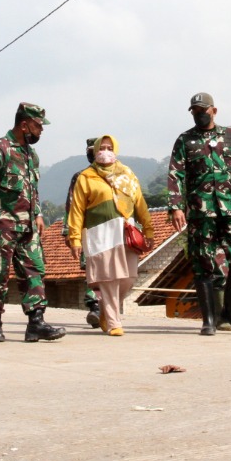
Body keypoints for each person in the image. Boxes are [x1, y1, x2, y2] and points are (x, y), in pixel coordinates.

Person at [0, 103, 65, 343]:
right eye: (38, 125)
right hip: (2, 225)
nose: (41, 130)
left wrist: (38, 213)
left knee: (35, 271)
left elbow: (32, 190)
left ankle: (36, 324)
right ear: (24, 124)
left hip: (27, 226)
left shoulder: (31, 155)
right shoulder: (3, 147)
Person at [167, 92, 231, 336]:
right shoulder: (185, 140)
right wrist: (176, 206)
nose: (199, 114)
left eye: (203, 110)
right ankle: (208, 320)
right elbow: (175, 174)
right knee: (203, 262)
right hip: (201, 211)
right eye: (195, 111)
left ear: (214, 111)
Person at [66, 135, 155, 336]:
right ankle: (114, 322)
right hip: (99, 235)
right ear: (95, 151)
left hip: (125, 232)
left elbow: (139, 202)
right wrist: (74, 238)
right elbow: (77, 209)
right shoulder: (86, 177)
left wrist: (148, 229)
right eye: (101, 148)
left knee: (129, 277)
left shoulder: (127, 173)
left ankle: (106, 310)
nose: (105, 151)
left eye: (109, 147)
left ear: (115, 149)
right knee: (108, 278)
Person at [64, 138, 101, 328]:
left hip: (112, 231)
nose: (91, 155)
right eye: (89, 151)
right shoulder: (79, 177)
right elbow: (71, 206)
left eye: (94, 151)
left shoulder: (117, 174)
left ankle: (106, 307)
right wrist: (70, 233)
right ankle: (95, 306)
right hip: (89, 231)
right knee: (92, 269)